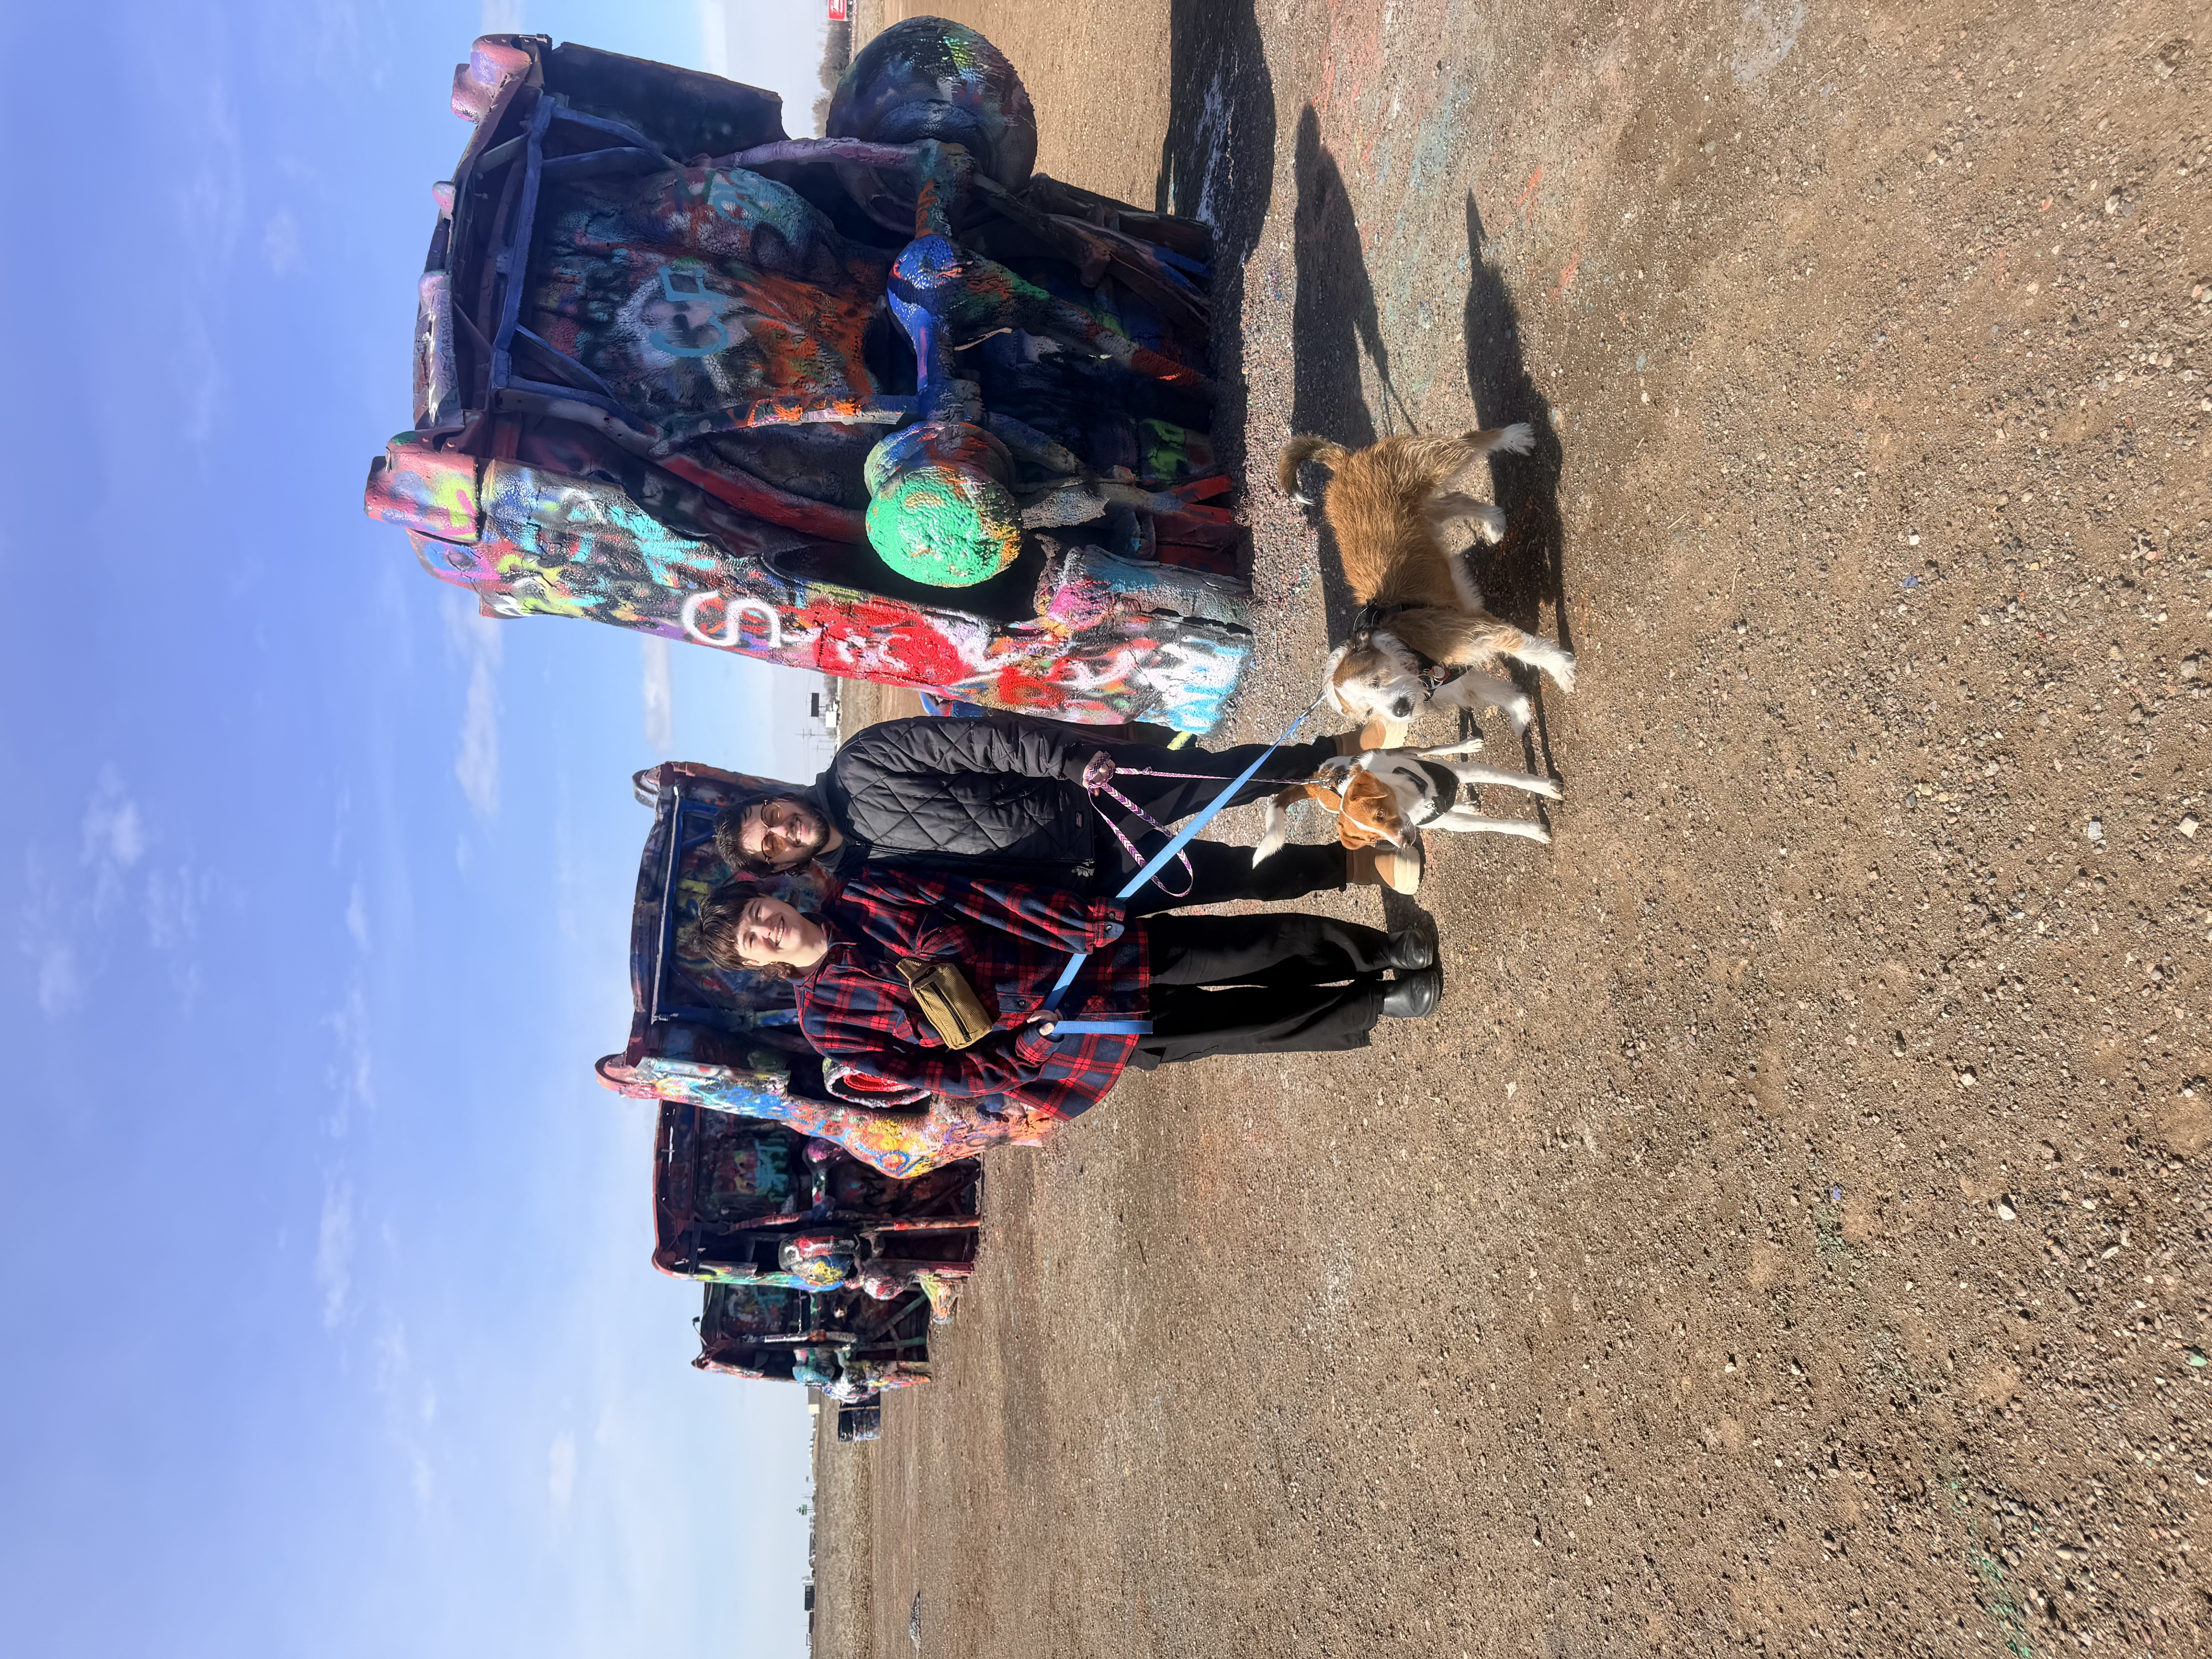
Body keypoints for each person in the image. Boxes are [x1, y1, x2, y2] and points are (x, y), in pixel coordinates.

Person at [690, 870, 1442, 1119]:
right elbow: (941, 1077)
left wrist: (1071, 919)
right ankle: (1380, 1004)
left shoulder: (863, 893)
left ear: (773, 899)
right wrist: (1019, 1054)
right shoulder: (827, 1027)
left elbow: (977, 896)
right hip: (1073, 1038)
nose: (767, 929)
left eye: (758, 914)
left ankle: (1377, 950)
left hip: (1082, 955)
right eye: (753, 941)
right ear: (760, 965)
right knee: (1242, 1021)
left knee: (1250, 946)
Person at [711, 713, 1422, 912]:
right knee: (1228, 877)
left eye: (770, 815)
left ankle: (1333, 753)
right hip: (1078, 884)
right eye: (771, 846)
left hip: (1080, 796)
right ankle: (1356, 864)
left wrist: (1066, 761)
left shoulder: (861, 762)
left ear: (780, 798)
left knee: (1217, 778)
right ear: (783, 865)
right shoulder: (854, 886)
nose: (781, 830)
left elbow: (980, 743)